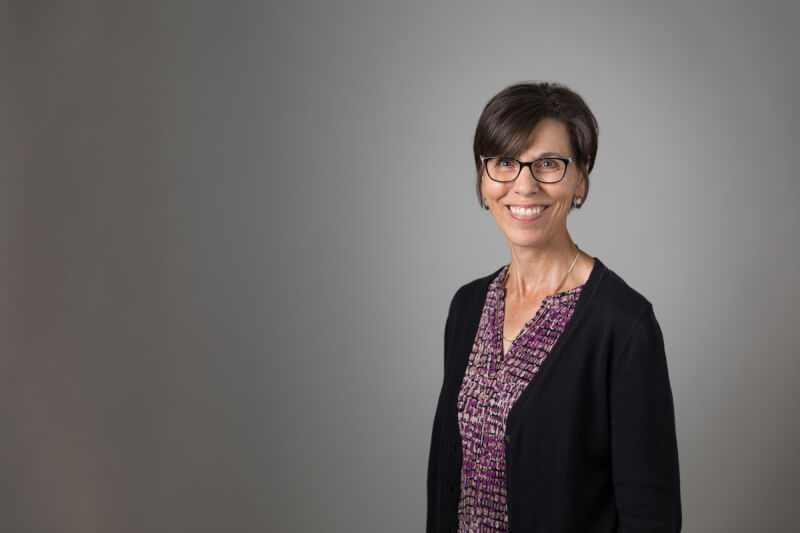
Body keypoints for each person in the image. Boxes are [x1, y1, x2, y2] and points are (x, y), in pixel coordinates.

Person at [427, 82, 681, 532]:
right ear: (483, 178)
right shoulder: (468, 307)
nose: (524, 185)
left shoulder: (623, 325)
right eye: (504, 162)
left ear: (581, 177)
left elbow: (651, 519)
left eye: (548, 164)